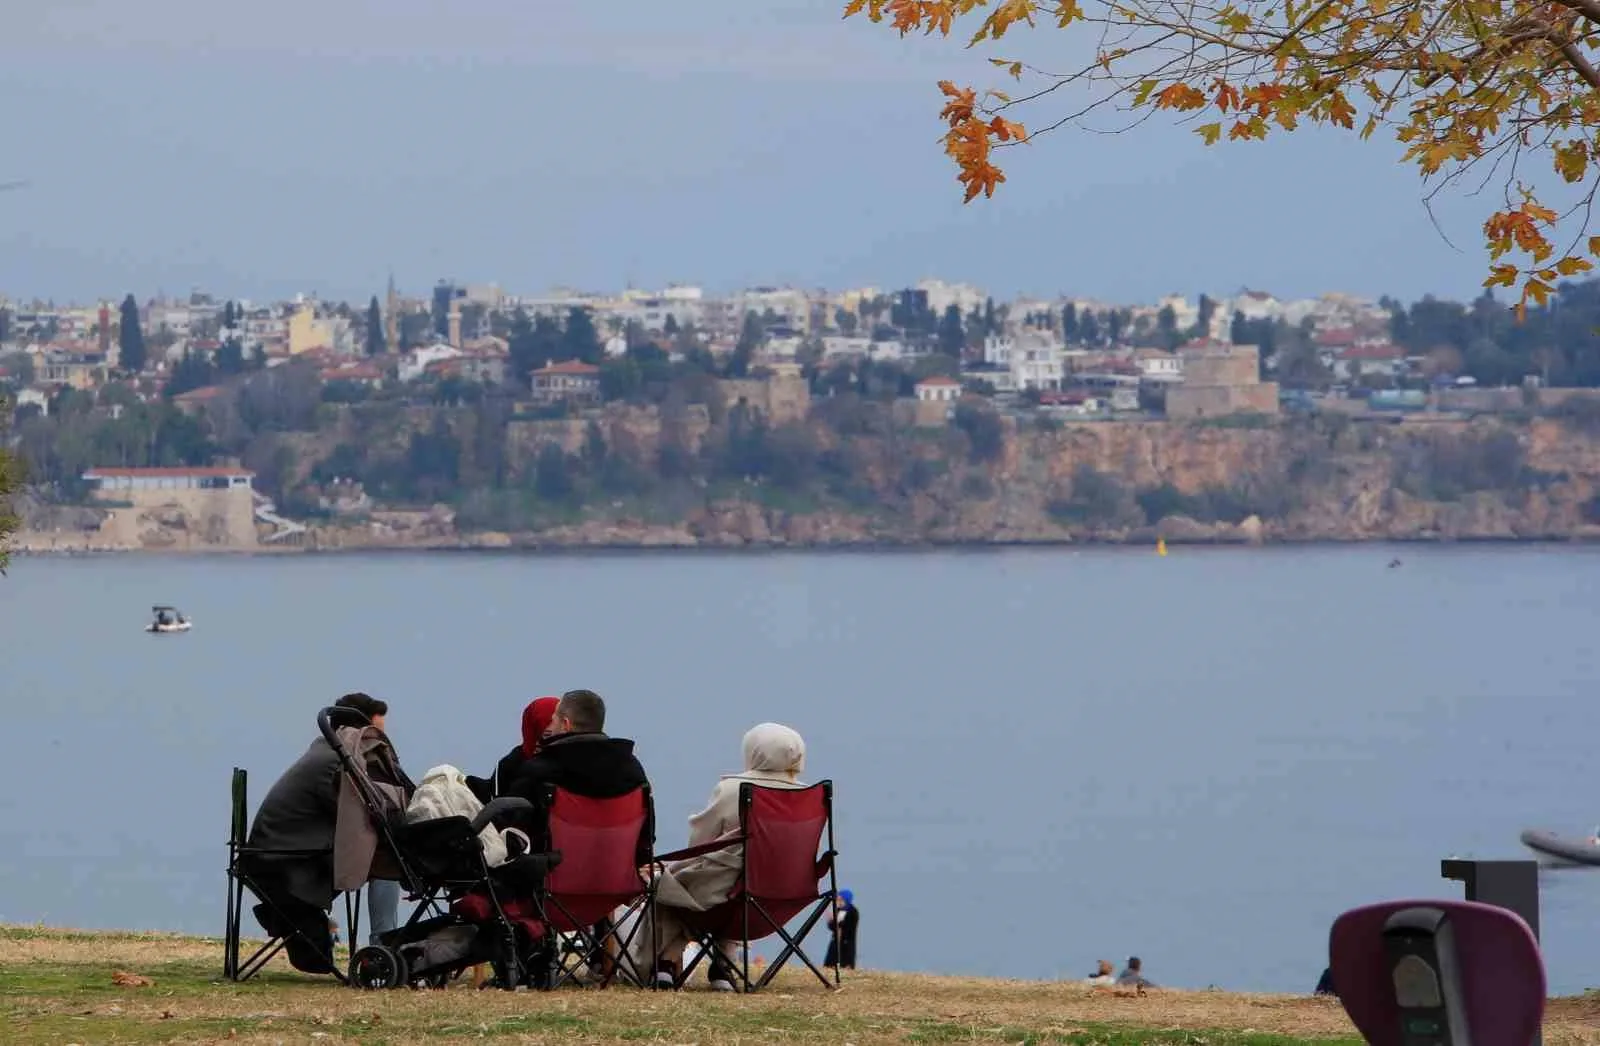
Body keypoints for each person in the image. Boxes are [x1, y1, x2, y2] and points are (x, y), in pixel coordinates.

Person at [625, 722, 808, 992]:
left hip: (722, 896)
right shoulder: (806, 796)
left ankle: (665, 963)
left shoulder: (733, 789)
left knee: (668, 883)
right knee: (730, 885)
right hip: (779, 898)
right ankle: (723, 966)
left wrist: (669, 869)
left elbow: (699, 844)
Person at [245, 693, 409, 952]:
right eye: (374, 736)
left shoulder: (325, 753)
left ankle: (380, 945)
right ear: (355, 733)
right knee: (389, 862)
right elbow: (367, 815)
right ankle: (384, 947)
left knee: (382, 854)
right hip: (286, 865)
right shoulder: (336, 764)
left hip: (274, 856)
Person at [466, 696, 560, 804]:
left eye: (548, 735)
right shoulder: (511, 763)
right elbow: (495, 802)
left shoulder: (572, 762)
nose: (541, 742)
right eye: (536, 733)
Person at [824, 889, 858, 970]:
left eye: (840, 899)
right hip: (835, 941)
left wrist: (837, 923)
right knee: (830, 963)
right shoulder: (838, 910)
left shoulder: (852, 911)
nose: (837, 901)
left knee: (845, 963)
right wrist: (831, 920)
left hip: (846, 943)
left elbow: (848, 926)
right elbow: (832, 927)